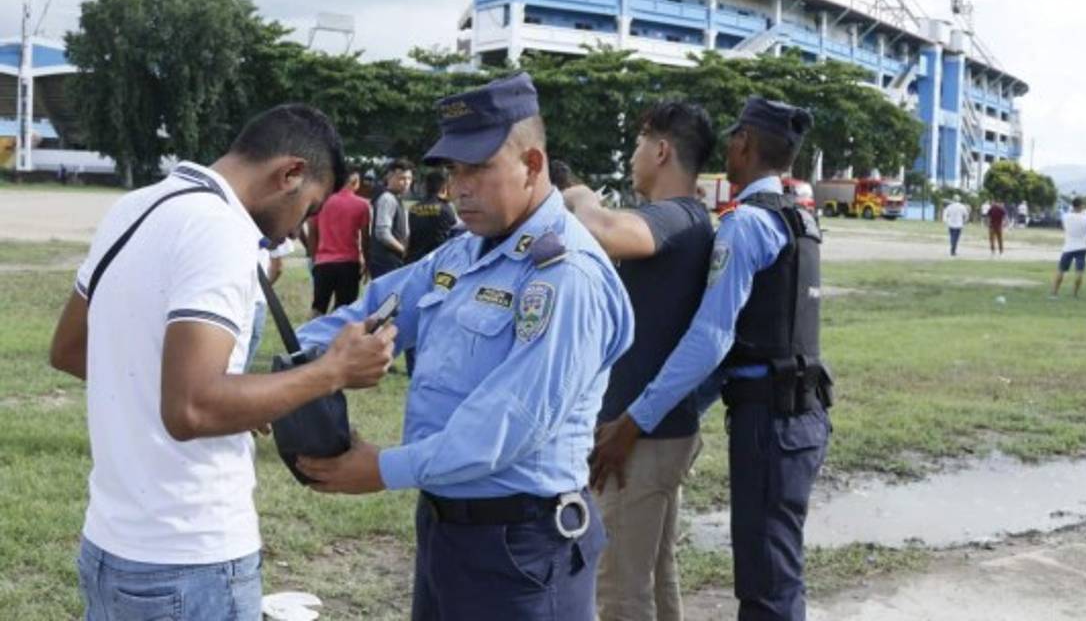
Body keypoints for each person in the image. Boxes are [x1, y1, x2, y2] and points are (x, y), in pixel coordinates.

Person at [293, 73, 634, 621]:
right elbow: (370, 312)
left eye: (478, 168)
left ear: (532, 165)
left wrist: (381, 468)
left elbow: (505, 426)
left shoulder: (564, 276)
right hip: (449, 530)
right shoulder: (462, 255)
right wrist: (287, 373)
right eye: (454, 170)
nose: (460, 187)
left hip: (521, 548)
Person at [48, 104, 397, 620]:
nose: (299, 233)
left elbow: (73, 349)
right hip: (188, 561)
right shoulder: (223, 231)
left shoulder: (139, 205)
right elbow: (190, 408)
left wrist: (238, 399)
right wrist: (332, 371)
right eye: (309, 210)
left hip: (113, 549)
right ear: (290, 174)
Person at [595, 96, 831, 620]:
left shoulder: (745, 224)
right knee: (764, 572)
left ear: (743, 143)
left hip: (770, 419)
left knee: (766, 584)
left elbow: (713, 338)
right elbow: (749, 339)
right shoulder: (797, 218)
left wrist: (636, 421)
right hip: (795, 412)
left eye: (732, 138)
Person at [563, 101, 716, 621]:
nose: (631, 157)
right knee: (654, 573)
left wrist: (578, 192)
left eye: (636, 145)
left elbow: (602, 228)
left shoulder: (673, 216)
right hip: (660, 429)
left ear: (661, 149)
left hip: (641, 438)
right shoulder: (693, 218)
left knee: (620, 589)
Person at [308, 166, 371, 316]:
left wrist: (313, 257)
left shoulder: (321, 201)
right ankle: (338, 336)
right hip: (349, 263)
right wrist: (367, 262)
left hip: (323, 262)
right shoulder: (362, 205)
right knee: (346, 309)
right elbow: (365, 238)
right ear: (354, 182)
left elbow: (312, 232)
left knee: (318, 306)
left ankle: (309, 337)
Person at [367, 160, 412, 280]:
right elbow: (382, 234)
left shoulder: (397, 199)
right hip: (385, 263)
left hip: (393, 262)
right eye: (401, 178)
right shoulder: (387, 198)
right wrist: (404, 251)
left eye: (409, 179)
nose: (406, 182)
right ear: (389, 177)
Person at [406, 170, 459, 264]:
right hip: (438, 261)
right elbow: (456, 234)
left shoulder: (413, 208)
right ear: (444, 187)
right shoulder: (446, 208)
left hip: (415, 261)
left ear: (426, 187)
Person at [1051, 197, 1086, 299]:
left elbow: (1064, 225)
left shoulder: (1066, 217)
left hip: (1068, 246)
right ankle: (1074, 294)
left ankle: (1054, 292)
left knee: (1061, 270)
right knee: (1079, 271)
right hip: (1081, 246)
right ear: (1081, 206)